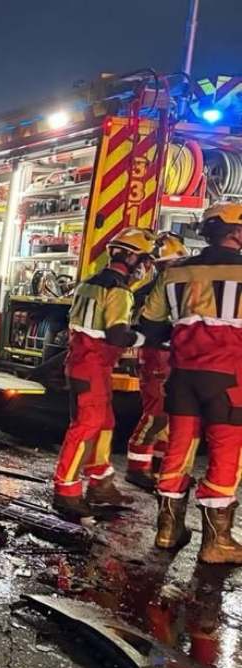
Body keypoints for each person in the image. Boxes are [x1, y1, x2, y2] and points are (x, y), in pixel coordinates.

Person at [138, 203, 242, 562]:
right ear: (236, 232)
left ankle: (168, 530)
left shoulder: (175, 273)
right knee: (226, 453)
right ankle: (217, 542)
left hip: (182, 378)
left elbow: (151, 326)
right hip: (230, 380)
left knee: (178, 450)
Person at [52, 227, 157, 519]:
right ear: (133, 258)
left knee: (104, 423)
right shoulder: (119, 291)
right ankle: (66, 489)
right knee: (87, 426)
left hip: (83, 364)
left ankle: (100, 482)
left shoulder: (89, 283)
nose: (146, 268)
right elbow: (117, 335)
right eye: (145, 261)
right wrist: (147, 337)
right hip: (93, 366)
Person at [125, 232, 188, 490]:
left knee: (169, 415)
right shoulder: (153, 290)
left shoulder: (172, 285)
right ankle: (137, 467)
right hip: (156, 356)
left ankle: (161, 465)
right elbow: (148, 325)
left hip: (171, 356)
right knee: (156, 415)